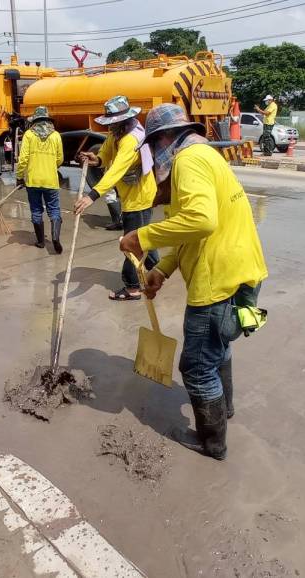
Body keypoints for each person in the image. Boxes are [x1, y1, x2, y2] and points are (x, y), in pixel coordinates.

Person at [120, 103, 268, 460]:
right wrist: (162, 269)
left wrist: (142, 236)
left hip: (216, 281)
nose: (155, 158)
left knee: (196, 367)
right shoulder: (208, 156)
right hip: (243, 272)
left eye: (154, 147)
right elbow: (194, 231)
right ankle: (225, 408)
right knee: (219, 347)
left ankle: (212, 443)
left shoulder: (187, 160)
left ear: (164, 139)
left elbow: (201, 221)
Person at [74, 95, 158, 301]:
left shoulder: (130, 139)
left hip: (139, 197)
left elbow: (116, 171)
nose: (110, 126)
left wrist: (92, 196)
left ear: (125, 119)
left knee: (130, 243)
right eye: (109, 122)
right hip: (131, 195)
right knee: (143, 236)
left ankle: (132, 287)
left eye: (114, 122)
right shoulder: (117, 133)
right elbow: (106, 153)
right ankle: (157, 268)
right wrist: (96, 159)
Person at [16, 106, 65, 253]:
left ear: (35, 120)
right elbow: (60, 159)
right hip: (51, 180)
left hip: (33, 181)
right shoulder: (56, 135)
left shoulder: (29, 135)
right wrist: (51, 166)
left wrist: (19, 177)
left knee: (36, 210)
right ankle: (55, 237)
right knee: (54, 210)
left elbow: (23, 159)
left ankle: (40, 241)